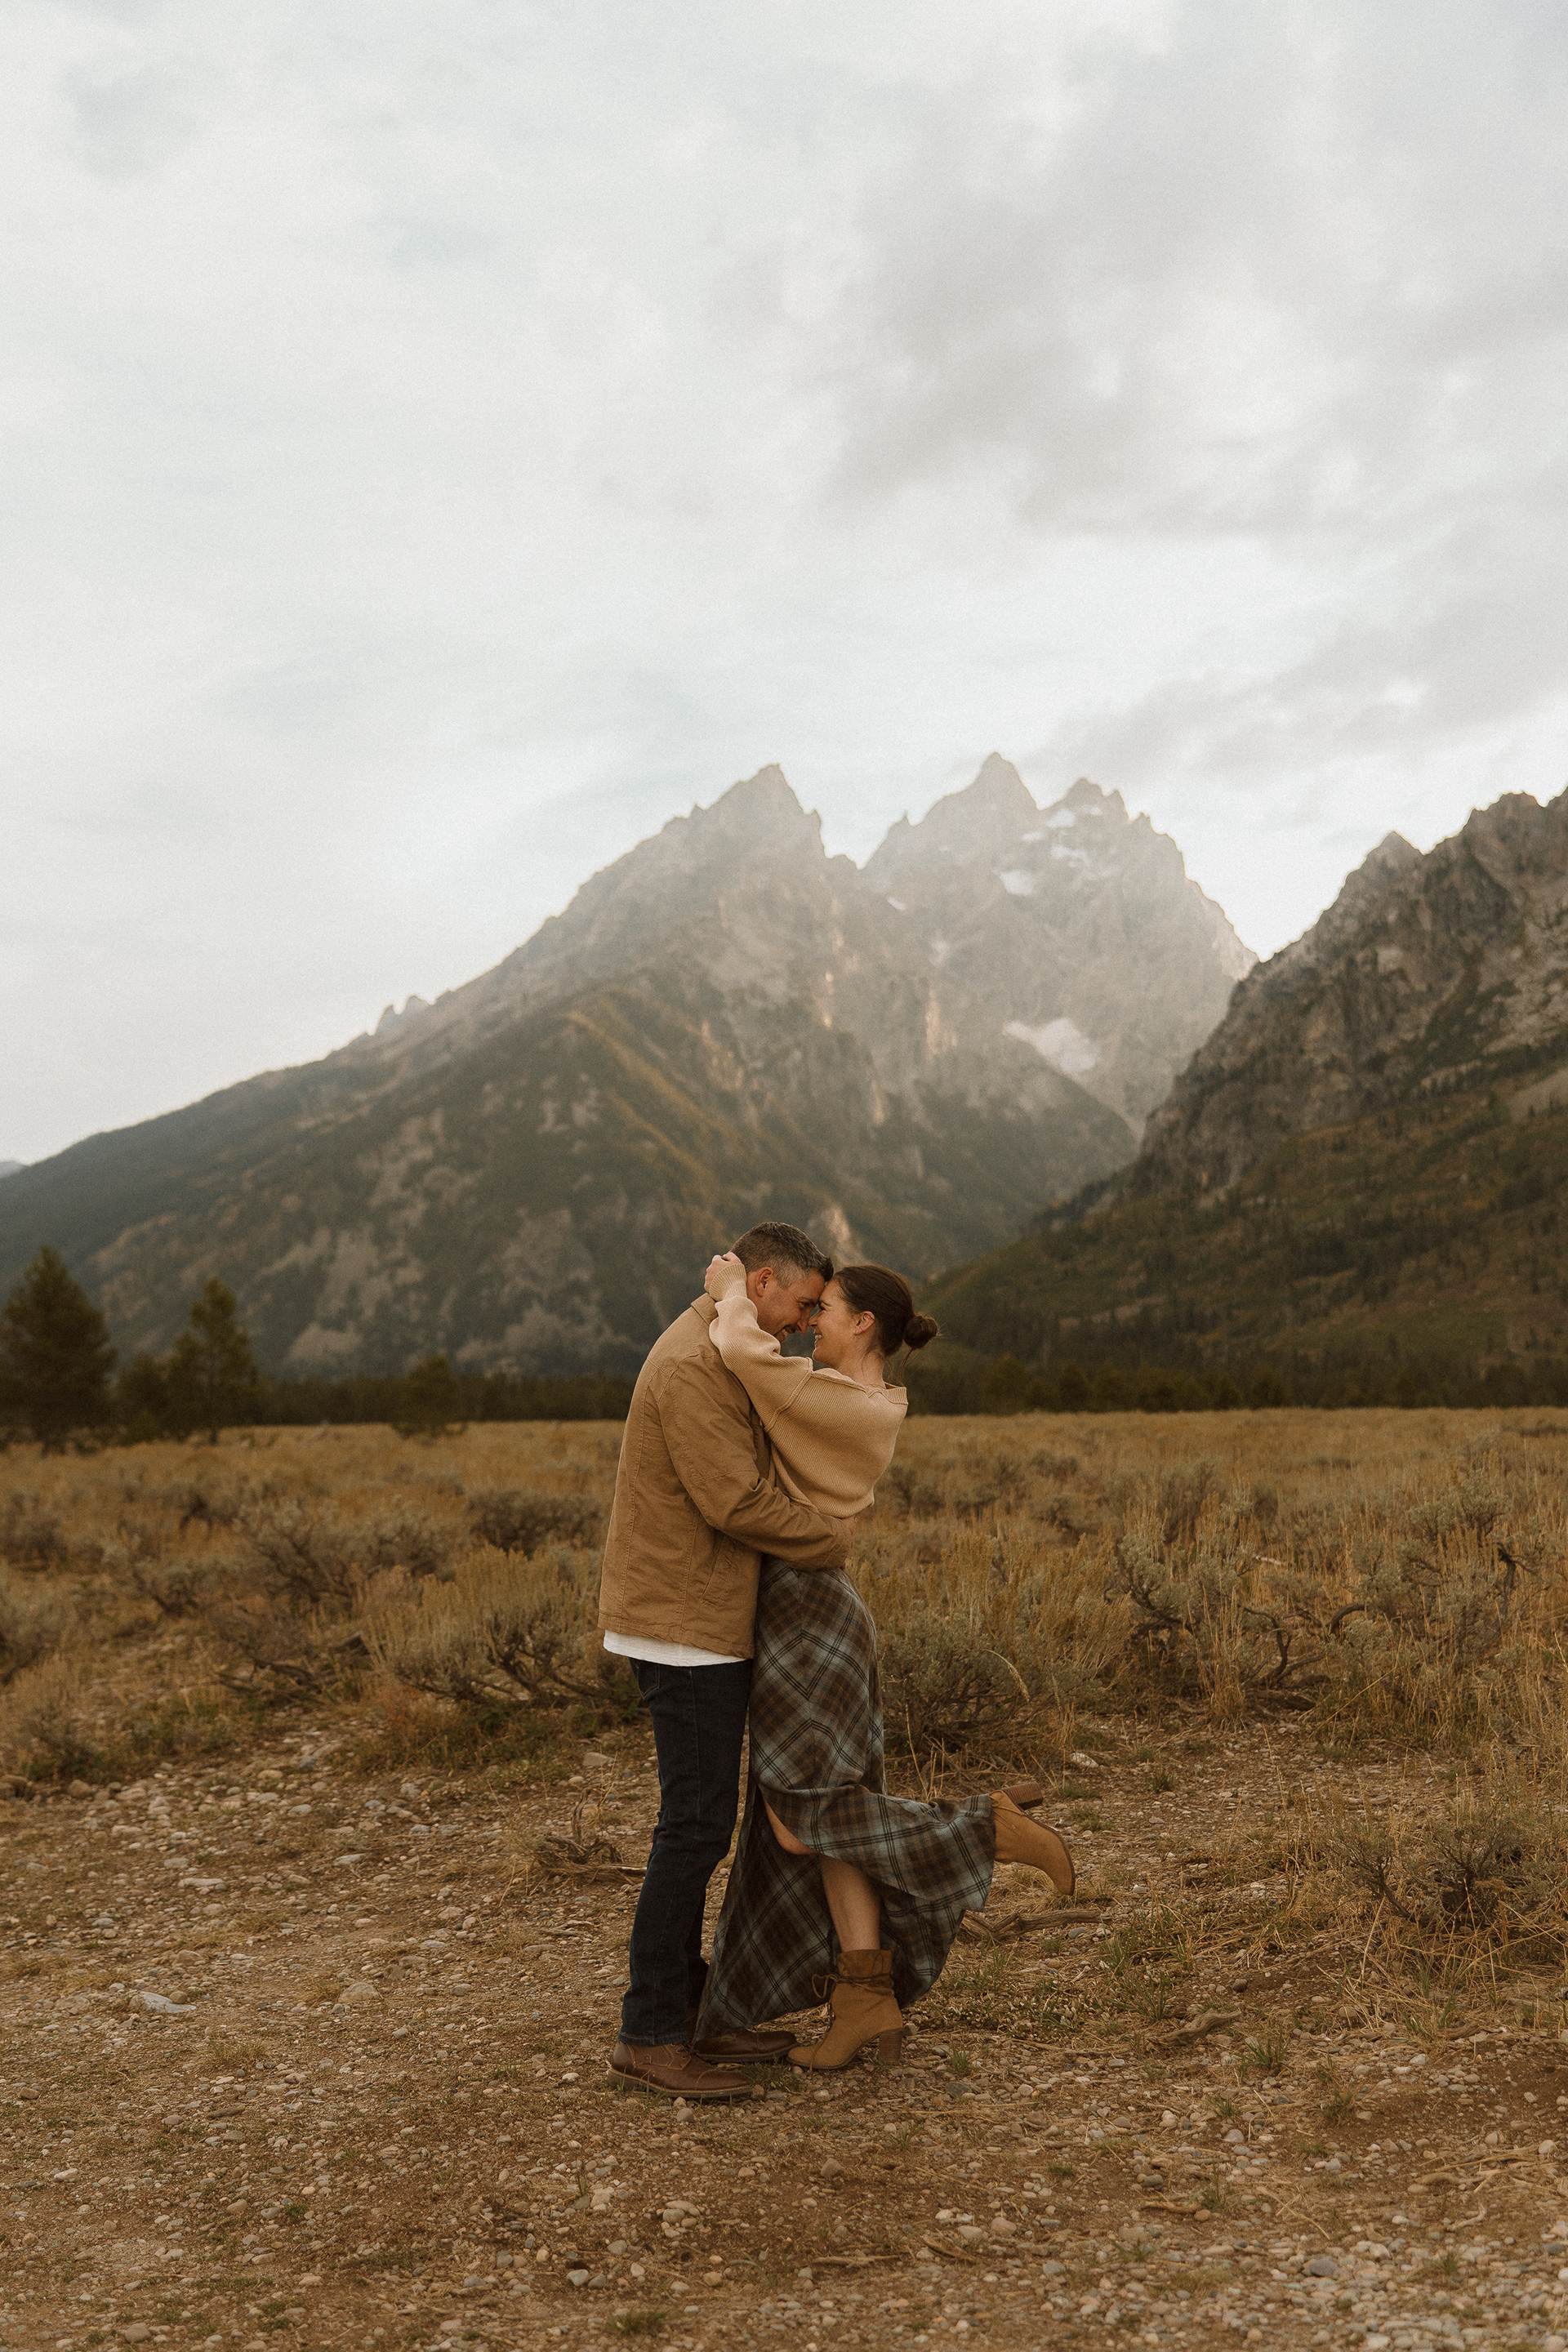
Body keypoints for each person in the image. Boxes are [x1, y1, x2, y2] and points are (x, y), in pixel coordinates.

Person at [694, 1251, 1075, 2070]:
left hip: (808, 1617)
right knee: (829, 1815)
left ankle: (981, 1829)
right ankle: (866, 2002)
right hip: (809, 1611)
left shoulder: (847, 1402)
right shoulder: (855, 1399)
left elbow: (743, 1354)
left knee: (803, 1818)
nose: (811, 1322)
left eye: (824, 1309)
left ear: (863, 1322)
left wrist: (731, 1291)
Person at [597, 1220, 856, 2103]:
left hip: (699, 1616)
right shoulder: (693, 1365)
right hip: (683, 1626)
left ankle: (697, 2009)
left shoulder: (721, 1340)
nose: (806, 1321)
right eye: (805, 1303)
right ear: (767, 1279)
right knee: (695, 1827)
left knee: (707, 1821)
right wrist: (829, 1541)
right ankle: (651, 2031)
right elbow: (732, 1499)